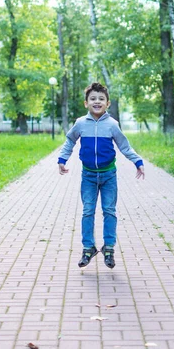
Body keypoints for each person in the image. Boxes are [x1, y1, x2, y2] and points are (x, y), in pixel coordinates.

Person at [58, 82, 145, 269]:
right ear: (86, 103)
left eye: (101, 99)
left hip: (108, 176)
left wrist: (137, 162)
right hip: (88, 176)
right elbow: (69, 141)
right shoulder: (80, 123)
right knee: (88, 210)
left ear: (108, 103)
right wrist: (62, 159)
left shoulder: (112, 125)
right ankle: (88, 248)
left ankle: (109, 248)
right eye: (93, 99)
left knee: (109, 211)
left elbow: (124, 146)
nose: (97, 101)